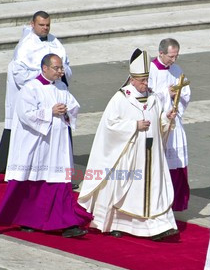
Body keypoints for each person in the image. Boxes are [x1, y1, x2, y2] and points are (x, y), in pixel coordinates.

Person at [77, 48, 179, 241]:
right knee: (125, 190)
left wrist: (166, 117)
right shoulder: (121, 98)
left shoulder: (154, 97)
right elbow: (110, 125)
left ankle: (158, 227)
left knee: (153, 188)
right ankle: (116, 224)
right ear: (132, 79)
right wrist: (134, 125)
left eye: (147, 80)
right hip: (129, 154)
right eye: (142, 81)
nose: (146, 84)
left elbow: (159, 124)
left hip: (151, 155)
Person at [0, 54, 90, 238]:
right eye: (57, 68)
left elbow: (73, 106)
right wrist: (49, 112)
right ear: (44, 68)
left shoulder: (61, 86)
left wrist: (68, 110)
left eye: (61, 68)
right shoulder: (30, 88)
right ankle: (28, 220)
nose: (61, 72)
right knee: (33, 183)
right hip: (39, 144)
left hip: (58, 144)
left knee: (60, 182)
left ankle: (67, 224)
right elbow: (24, 114)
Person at [0, 11, 71, 174]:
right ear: (32, 24)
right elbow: (19, 74)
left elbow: (67, 65)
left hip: (55, 91)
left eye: (48, 25)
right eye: (41, 25)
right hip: (36, 95)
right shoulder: (25, 46)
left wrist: (62, 73)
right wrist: (44, 76)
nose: (45, 28)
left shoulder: (55, 42)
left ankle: (59, 171)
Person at [148, 38, 191, 211]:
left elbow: (186, 92)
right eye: (171, 56)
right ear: (161, 53)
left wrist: (176, 96)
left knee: (178, 161)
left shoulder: (176, 69)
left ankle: (177, 202)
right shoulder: (150, 70)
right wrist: (167, 93)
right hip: (158, 123)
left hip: (174, 120)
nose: (174, 60)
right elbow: (146, 96)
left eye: (176, 56)